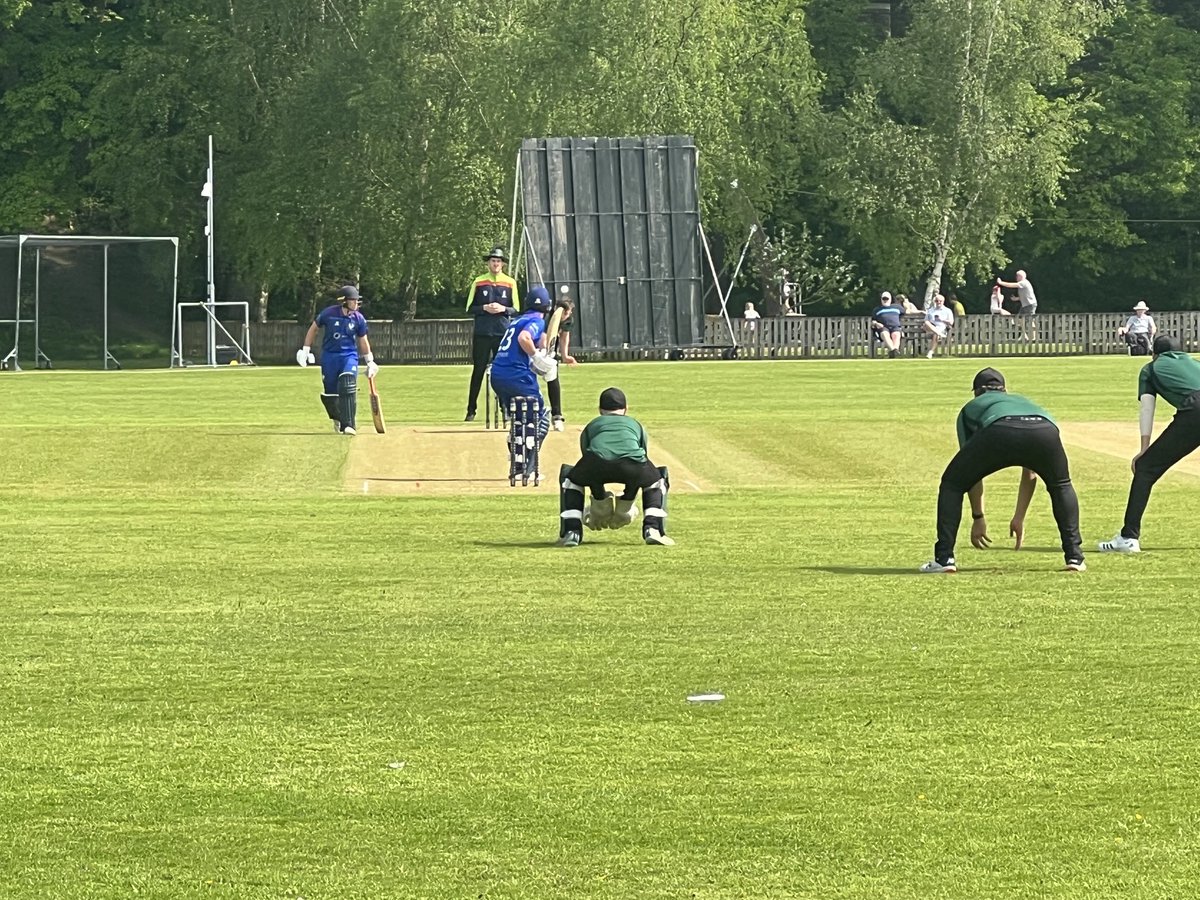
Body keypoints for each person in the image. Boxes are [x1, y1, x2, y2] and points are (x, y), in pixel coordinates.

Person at [920, 367, 1085, 574]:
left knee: (952, 484)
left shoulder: (971, 407)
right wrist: (1019, 517)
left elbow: (970, 477)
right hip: (1045, 430)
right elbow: (1030, 473)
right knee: (1061, 486)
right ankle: (1075, 557)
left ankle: (944, 558)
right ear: (1004, 390)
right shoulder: (1023, 401)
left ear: (976, 391)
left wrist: (978, 518)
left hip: (1000, 429)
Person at [1098, 335, 1200, 553]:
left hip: (1195, 412)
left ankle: (1128, 538)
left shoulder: (1150, 368)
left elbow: (1147, 409)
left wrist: (1144, 451)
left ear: (1154, 353)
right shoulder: (1195, 363)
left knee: (1146, 468)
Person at [557, 387, 674, 547]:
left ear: (600, 410)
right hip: (633, 466)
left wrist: (600, 500)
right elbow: (640, 459)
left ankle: (572, 532)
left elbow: (589, 462)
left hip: (596, 463)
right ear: (626, 409)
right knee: (657, 478)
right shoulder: (635, 424)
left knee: (570, 477)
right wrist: (626, 502)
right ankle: (653, 529)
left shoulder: (593, 424)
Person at [489, 285, 557, 468]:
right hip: (516, 375)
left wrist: (541, 350)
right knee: (540, 417)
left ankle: (517, 450)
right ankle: (528, 465)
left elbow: (531, 339)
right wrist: (536, 356)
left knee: (521, 416)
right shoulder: (538, 321)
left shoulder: (517, 321)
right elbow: (524, 338)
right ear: (547, 307)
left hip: (497, 375)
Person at [296, 285, 377, 435]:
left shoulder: (358, 318)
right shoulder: (329, 314)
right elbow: (314, 328)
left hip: (349, 356)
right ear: (344, 301)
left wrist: (370, 361)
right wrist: (305, 350)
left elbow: (363, 339)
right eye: (353, 301)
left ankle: (349, 424)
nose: (356, 304)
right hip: (329, 356)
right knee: (331, 392)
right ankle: (338, 419)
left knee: (348, 383)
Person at [463, 246, 520, 422]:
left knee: (502, 371)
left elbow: (516, 308)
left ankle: (506, 409)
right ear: (488, 263)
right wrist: (484, 308)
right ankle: (471, 410)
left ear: (502, 264)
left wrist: (503, 309)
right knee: (478, 370)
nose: (495, 264)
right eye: (493, 261)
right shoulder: (479, 282)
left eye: (498, 261)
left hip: (502, 333)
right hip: (482, 332)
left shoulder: (510, 282)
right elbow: (469, 308)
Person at [546, 295, 578, 431]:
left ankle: (557, 416)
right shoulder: (546, 317)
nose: (565, 315)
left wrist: (565, 355)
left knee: (553, 381)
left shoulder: (568, 320)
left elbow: (565, 336)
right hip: (535, 349)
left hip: (551, 351)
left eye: (567, 312)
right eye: (563, 311)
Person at [996, 269, 1038, 340]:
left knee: (1030, 320)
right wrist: (1016, 298)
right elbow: (1025, 295)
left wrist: (1001, 282)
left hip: (1030, 305)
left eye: (1017, 276)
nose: (1016, 278)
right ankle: (1024, 335)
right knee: (1019, 319)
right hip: (1025, 305)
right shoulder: (1023, 283)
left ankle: (1033, 338)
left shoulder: (1024, 282)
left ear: (1020, 276)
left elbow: (1011, 285)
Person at [870, 291, 904, 358]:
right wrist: (877, 323)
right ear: (881, 299)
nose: (885, 300)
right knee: (885, 334)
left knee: (896, 334)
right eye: (883, 299)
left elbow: (907, 310)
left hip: (895, 327)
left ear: (890, 299)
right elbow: (872, 322)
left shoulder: (897, 307)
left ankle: (894, 352)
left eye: (887, 299)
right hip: (883, 327)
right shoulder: (877, 309)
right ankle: (894, 351)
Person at [922, 293, 955, 359]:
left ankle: (930, 352)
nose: (938, 302)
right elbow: (926, 320)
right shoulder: (930, 310)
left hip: (941, 328)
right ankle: (938, 333)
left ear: (943, 301)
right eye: (937, 301)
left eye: (940, 301)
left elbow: (951, 322)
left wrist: (941, 319)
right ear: (934, 301)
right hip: (930, 328)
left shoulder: (947, 311)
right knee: (926, 323)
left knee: (935, 334)